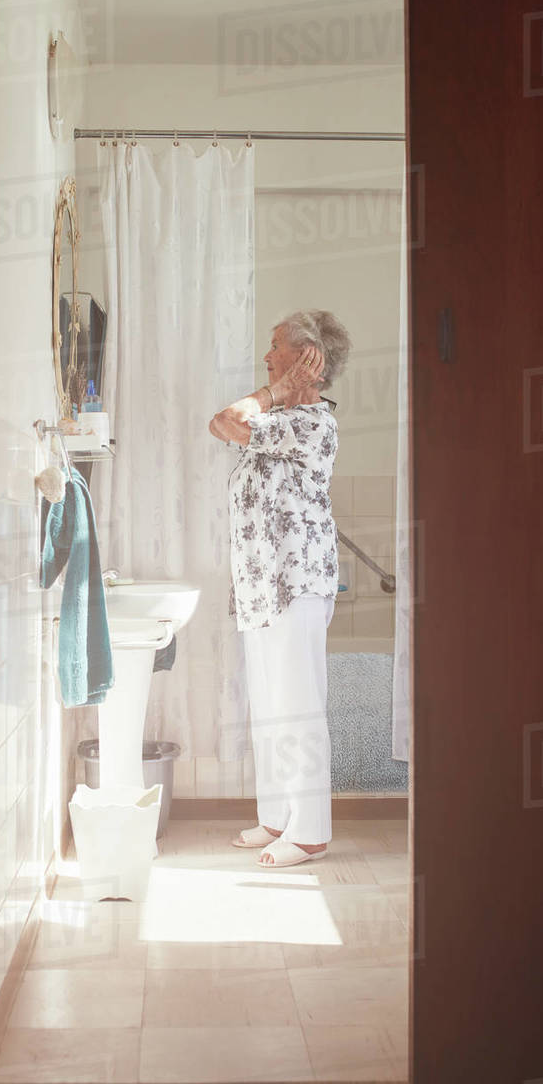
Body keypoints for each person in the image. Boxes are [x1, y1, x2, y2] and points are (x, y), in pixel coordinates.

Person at [208, 309, 351, 868]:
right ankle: (276, 817)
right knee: (269, 704)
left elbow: (223, 420)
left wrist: (276, 392)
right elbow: (221, 425)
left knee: (297, 704)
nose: (266, 359)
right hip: (261, 585)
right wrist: (276, 389)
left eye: (276, 349)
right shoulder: (282, 415)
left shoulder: (314, 422)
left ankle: (311, 830)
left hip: (296, 583)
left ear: (307, 360)